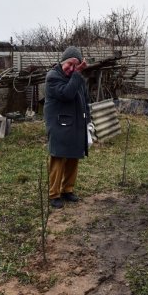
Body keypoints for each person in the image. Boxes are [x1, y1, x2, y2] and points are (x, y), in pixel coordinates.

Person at [44, 46, 90, 209]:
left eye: (74, 66)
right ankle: (54, 194)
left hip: (76, 123)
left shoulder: (77, 79)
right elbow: (66, 93)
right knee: (58, 157)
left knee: (73, 157)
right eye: (69, 64)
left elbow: (85, 100)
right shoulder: (53, 77)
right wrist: (77, 73)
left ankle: (67, 190)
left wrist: (88, 121)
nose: (71, 69)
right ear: (62, 61)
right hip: (58, 124)